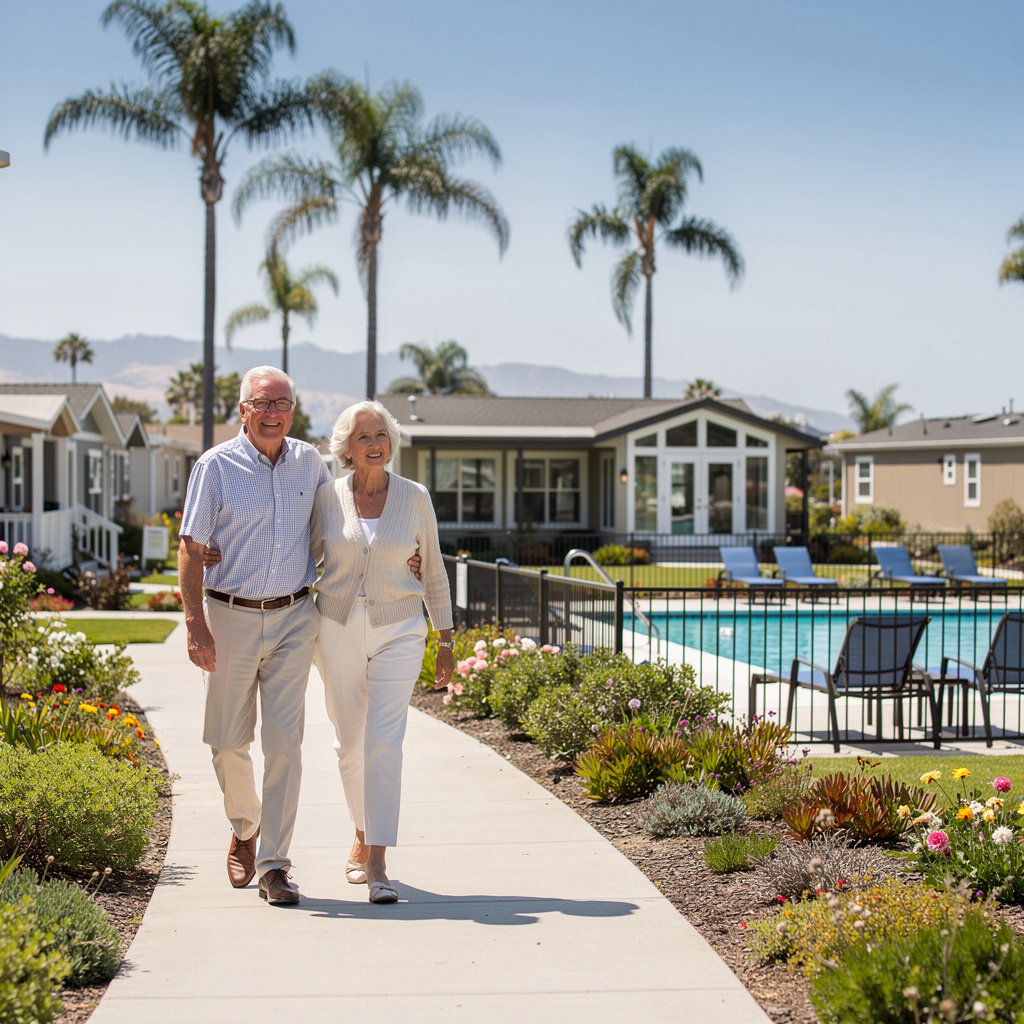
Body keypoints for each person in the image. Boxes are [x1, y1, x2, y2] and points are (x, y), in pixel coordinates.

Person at [178, 365, 331, 907]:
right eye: (262, 403)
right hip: (230, 616)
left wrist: (398, 549)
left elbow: (338, 526)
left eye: (282, 403)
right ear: (243, 410)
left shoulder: (310, 462)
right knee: (226, 742)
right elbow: (192, 547)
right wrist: (196, 625)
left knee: (285, 745)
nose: (272, 413)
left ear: (293, 411)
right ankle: (246, 827)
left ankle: (274, 865)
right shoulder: (215, 466)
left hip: (294, 616)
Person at [312, 400, 454, 903]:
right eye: (364, 436)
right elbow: (301, 557)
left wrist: (445, 637)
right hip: (337, 626)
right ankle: (360, 831)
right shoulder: (327, 498)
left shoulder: (415, 498)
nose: (375, 444)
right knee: (350, 746)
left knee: (384, 744)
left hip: (400, 628)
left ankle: (377, 862)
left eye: (382, 435)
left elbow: (433, 567)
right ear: (347, 448)